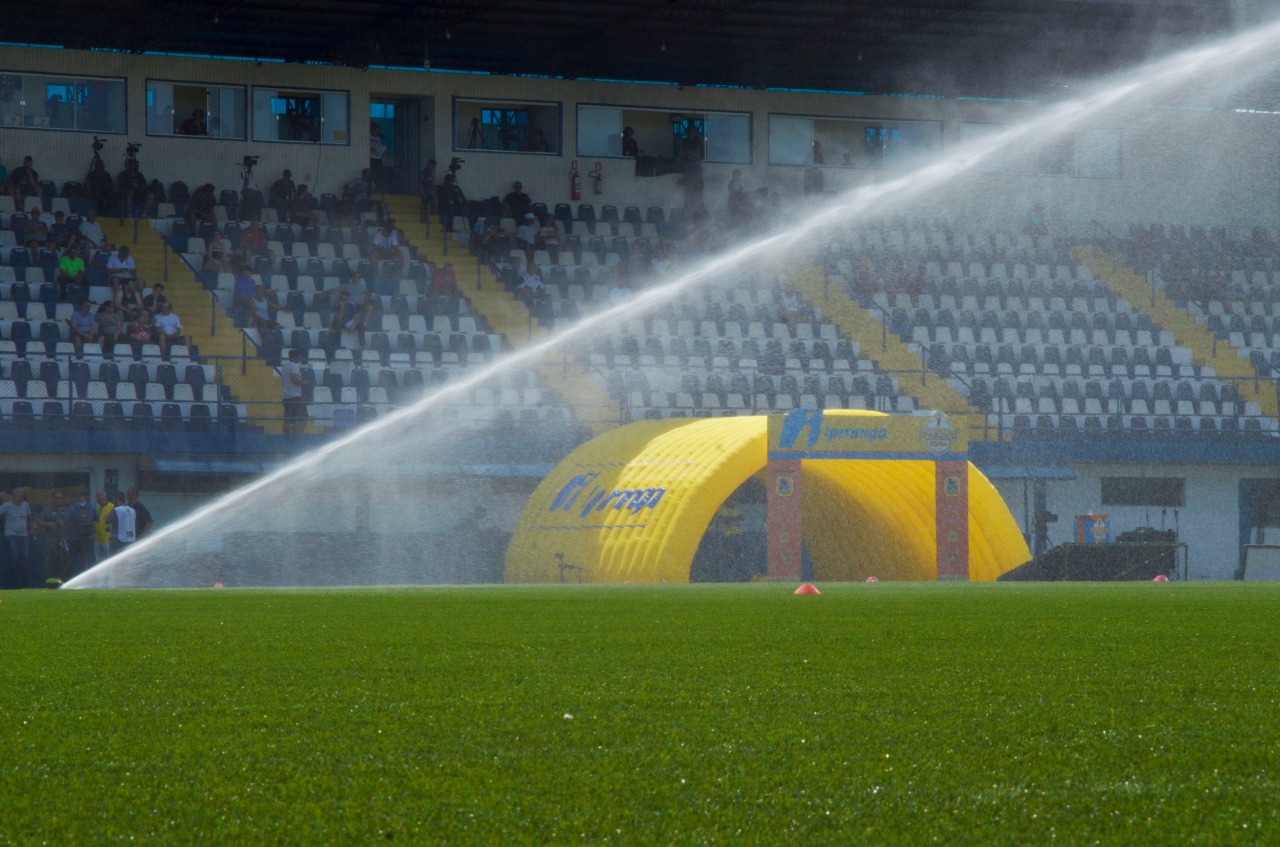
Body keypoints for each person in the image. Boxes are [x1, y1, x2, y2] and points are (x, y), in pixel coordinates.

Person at [0, 489, 34, 589]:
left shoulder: (25, 505)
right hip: (11, 534)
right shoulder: (7, 505)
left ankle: (23, 581)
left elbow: (29, 517)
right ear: (14, 497)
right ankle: (14, 582)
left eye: (22, 497)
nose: (21, 499)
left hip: (23, 534)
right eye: (19, 496)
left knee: (25, 557)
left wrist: (31, 528)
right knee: (14, 557)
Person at [34, 492, 68, 585]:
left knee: (63, 564)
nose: (59, 500)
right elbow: (38, 522)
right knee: (50, 565)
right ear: (53, 499)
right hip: (50, 541)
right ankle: (50, 584)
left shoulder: (66, 510)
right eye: (57, 498)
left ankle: (62, 584)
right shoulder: (47, 510)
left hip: (63, 541)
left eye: (61, 498)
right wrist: (48, 524)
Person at [66, 490, 97, 574]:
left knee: (74, 561)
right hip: (88, 539)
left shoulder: (72, 507)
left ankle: (73, 578)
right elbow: (96, 521)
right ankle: (90, 579)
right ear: (87, 497)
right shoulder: (92, 507)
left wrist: (66, 536)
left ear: (79, 496)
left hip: (75, 538)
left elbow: (68, 522)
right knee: (89, 561)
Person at [280, 348, 307, 434]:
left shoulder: (284, 367)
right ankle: (298, 437)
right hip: (295, 397)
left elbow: (283, 383)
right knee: (303, 417)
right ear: (298, 357)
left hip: (286, 396)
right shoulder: (294, 366)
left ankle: (286, 437)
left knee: (288, 419)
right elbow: (295, 380)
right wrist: (304, 383)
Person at [92, 490, 115, 563]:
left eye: (101, 496)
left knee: (108, 560)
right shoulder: (97, 507)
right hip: (97, 539)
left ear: (105, 496)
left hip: (107, 539)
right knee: (98, 561)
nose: (99, 498)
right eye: (97, 496)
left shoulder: (112, 506)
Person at [369, 121, 387, 188]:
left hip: (378, 158)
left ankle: (379, 186)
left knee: (379, 173)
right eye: (376, 131)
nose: (377, 133)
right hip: (371, 157)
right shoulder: (367, 136)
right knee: (372, 173)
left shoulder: (378, 137)